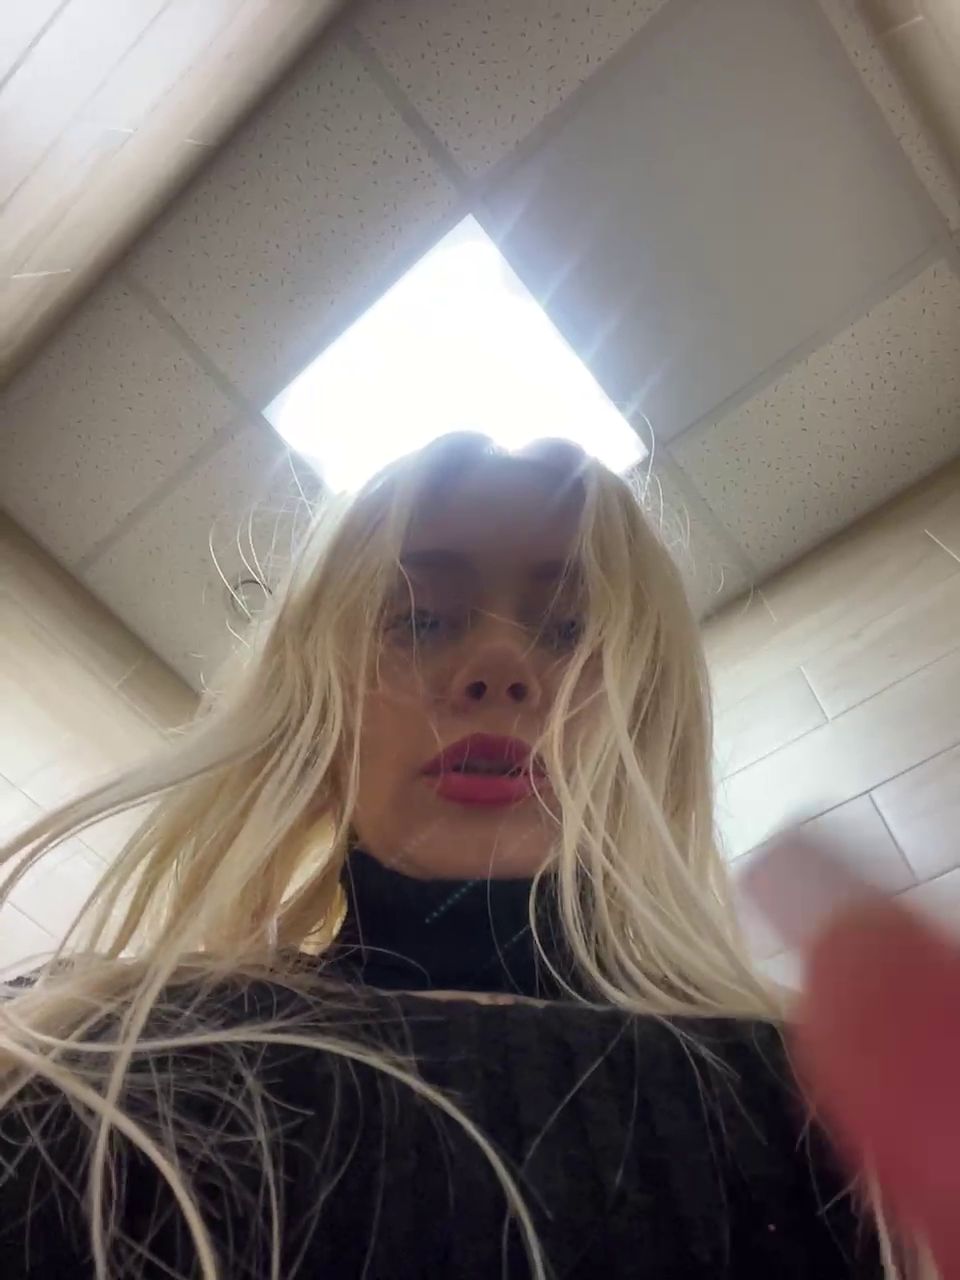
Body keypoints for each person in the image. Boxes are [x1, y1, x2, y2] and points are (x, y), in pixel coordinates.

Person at [0, 432, 926, 1278]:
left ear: (644, 725)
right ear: (320, 716)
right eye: (421, 618)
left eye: (570, 630)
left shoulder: (827, 1108)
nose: (499, 667)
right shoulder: (73, 1044)